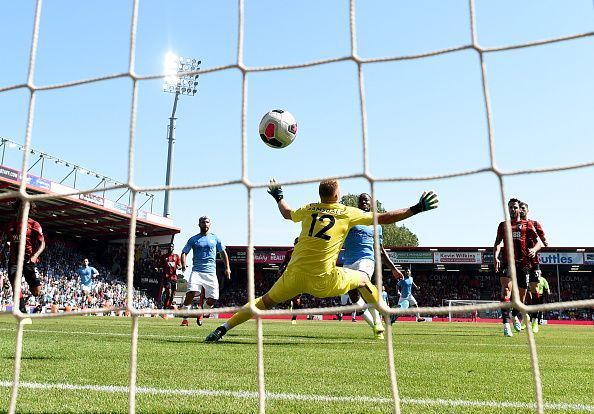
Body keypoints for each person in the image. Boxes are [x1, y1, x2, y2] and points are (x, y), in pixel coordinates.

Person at [205, 178, 438, 342]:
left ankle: (221, 329)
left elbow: (287, 213)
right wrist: (416, 208)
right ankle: (385, 314)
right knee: (364, 280)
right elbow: (385, 218)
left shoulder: (308, 209)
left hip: (294, 276)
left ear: (320, 195)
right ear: (337, 195)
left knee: (263, 302)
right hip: (324, 280)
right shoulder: (347, 211)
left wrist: (279, 196)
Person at [340, 192, 404, 339]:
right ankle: (376, 326)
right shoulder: (350, 219)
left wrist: (393, 268)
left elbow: (380, 250)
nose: (363, 202)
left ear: (371, 204)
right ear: (358, 203)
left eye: (366, 200)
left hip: (366, 260)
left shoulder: (377, 225)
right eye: (361, 200)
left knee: (362, 282)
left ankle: (386, 313)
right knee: (354, 297)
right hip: (348, 262)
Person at [494, 198, 542, 337]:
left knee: (520, 299)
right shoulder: (503, 225)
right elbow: (497, 242)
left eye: (515, 207)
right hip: (507, 263)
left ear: (519, 209)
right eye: (510, 207)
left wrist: (534, 249)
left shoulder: (527, 225)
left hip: (523, 265)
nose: (513, 210)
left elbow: (538, 243)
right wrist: (496, 256)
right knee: (505, 292)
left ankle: (515, 315)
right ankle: (506, 325)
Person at [180, 216, 231, 327]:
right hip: (197, 271)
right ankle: (185, 317)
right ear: (199, 224)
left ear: (210, 224)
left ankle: (201, 312)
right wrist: (183, 264)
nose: (205, 224)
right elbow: (184, 252)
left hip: (211, 273)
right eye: (203, 222)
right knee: (191, 292)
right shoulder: (193, 239)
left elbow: (223, 253)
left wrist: (227, 267)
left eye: (207, 222)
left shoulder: (215, 238)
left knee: (213, 299)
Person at [0, 199, 45, 323]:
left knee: (36, 292)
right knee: (15, 285)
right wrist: (2, 253)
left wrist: (35, 256)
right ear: (17, 208)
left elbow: (42, 243)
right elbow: (5, 241)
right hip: (14, 261)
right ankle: (23, 313)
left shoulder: (34, 224)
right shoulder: (9, 225)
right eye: (21, 207)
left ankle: (33, 294)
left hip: (29, 261)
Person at [519, 201, 549, 333]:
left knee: (535, 290)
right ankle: (526, 318)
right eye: (519, 208)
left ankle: (535, 319)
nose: (521, 210)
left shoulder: (534, 224)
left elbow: (543, 242)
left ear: (527, 210)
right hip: (520, 263)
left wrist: (542, 243)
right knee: (523, 294)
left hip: (533, 262)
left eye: (523, 208)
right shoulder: (514, 226)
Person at [278, 237, 301, 325]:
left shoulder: (304, 252)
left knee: (297, 300)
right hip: (289, 276)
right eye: (296, 243)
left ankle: (294, 317)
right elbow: (284, 262)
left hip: (299, 277)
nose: (297, 245)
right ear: (294, 244)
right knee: (286, 296)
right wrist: (280, 270)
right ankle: (289, 303)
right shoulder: (289, 252)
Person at [158, 243, 181, 310]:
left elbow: (179, 266)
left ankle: (167, 307)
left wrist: (178, 267)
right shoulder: (164, 257)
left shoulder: (176, 256)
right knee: (169, 294)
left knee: (173, 295)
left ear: (173, 248)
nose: (170, 248)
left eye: (171, 247)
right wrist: (159, 268)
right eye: (169, 247)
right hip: (167, 277)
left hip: (174, 278)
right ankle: (165, 309)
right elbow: (160, 265)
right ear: (167, 248)